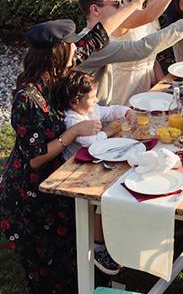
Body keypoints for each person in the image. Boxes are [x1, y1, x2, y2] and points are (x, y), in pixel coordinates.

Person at [0, 3, 140, 294]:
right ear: (57, 54)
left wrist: (139, 2)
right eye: (71, 47)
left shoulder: (61, 72)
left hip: (64, 179)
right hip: (32, 198)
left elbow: (101, 33)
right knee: (56, 279)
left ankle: (98, 283)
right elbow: (35, 160)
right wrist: (73, 131)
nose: (77, 49)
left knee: (83, 263)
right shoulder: (28, 98)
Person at [76, 0, 183, 105]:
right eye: (116, 4)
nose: (122, 8)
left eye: (121, 3)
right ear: (95, 10)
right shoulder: (90, 45)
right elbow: (142, 47)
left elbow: (146, 15)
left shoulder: (100, 35)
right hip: (98, 120)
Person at [55, 70, 136, 276]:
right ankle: (99, 246)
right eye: (91, 97)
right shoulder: (73, 120)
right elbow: (91, 144)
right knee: (104, 198)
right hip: (78, 171)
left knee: (123, 180)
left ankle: (114, 235)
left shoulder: (90, 110)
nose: (96, 100)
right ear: (74, 101)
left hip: (96, 163)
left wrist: (127, 112)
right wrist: (109, 132)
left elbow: (110, 111)